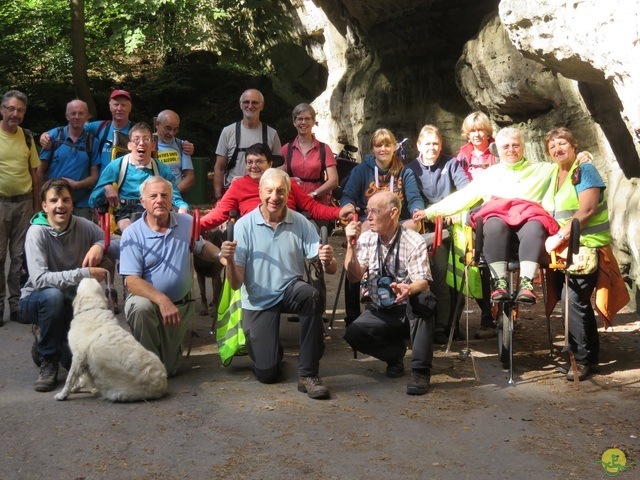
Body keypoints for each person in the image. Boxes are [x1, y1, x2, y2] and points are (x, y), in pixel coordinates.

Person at [220, 168, 337, 399]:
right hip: (258, 300)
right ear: (260, 192)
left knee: (312, 296)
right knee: (267, 373)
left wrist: (329, 259)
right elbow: (235, 285)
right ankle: (272, 352)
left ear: (288, 193)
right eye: (270, 191)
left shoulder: (300, 222)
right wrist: (230, 261)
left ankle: (309, 374)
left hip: (290, 289)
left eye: (281, 191)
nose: (275, 197)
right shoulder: (244, 226)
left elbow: (328, 268)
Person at [414, 127, 558, 304]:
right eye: (505, 147)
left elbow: (568, 166)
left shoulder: (544, 170)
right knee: (493, 223)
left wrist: (582, 159)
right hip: (498, 226)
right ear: (497, 149)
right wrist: (430, 212)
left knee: (536, 224)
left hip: (527, 224)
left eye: (515, 145)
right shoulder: (489, 174)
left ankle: (526, 283)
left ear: (523, 147)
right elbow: (463, 197)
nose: (511, 150)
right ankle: (499, 283)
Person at [19, 178, 116, 392]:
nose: (60, 205)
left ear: (72, 204)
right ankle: (48, 361)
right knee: (53, 297)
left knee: (86, 366)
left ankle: (46, 340)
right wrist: (85, 273)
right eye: (54, 201)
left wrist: (100, 245)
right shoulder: (36, 233)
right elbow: (40, 280)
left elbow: (114, 242)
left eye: (65, 200)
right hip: (36, 299)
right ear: (44, 206)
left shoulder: (82, 225)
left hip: (71, 301)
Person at [120, 176, 221, 376]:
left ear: (171, 198)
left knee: (169, 369)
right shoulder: (132, 233)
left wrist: (221, 256)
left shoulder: (186, 222)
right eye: (153, 196)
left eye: (164, 195)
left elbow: (201, 247)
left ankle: (155, 362)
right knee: (141, 308)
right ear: (143, 202)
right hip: (149, 304)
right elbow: (131, 281)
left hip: (179, 308)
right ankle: (145, 368)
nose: (160, 200)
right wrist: (162, 300)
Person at [343, 191, 436, 395]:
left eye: (375, 212)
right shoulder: (367, 239)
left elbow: (423, 282)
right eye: (367, 211)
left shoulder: (413, 241)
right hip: (381, 309)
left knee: (423, 299)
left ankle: (420, 371)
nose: (369, 217)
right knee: (353, 333)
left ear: (393, 213)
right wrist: (351, 246)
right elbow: (354, 277)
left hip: (408, 308)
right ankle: (394, 356)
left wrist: (409, 288)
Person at [542, 128, 616, 381]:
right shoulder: (555, 173)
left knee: (574, 301)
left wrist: (559, 236)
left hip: (586, 247)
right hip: (567, 250)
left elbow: (588, 209)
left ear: (574, 146)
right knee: (575, 303)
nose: (557, 149)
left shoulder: (584, 170)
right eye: (552, 146)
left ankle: (581, 360)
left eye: (562, 143)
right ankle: (588, 358)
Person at [340, 128, 424, 324]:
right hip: (370, 223)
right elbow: (348, 195)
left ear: (394, 147)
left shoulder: (405, 171)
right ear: (372, 149)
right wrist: (348, 205)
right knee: (357, 245)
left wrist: (417, 210)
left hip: (398, 224)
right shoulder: (361, 170)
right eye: (379, 145)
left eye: (387, 145)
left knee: (417, 224)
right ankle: (356, 305)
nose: (383, 149)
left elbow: (414, 198)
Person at [406, 124, 480, 344]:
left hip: (451, 225)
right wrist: (424, 214)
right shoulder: (411, 169)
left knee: (455, 276)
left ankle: (451, 325)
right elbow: (413, 198)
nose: (432, 148)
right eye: (427, 144)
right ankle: (437, 325)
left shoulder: (451, 163)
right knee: (438, 275)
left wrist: (457, 211)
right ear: (419, 145)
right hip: (426, 228)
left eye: (435, 143)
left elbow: (467, 191)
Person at [200, 143, 354, 231]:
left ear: (270, 164)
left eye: (259, 162)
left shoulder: (287, 182)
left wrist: (339, 212)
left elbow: (312, 207)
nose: (253, 166)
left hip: (288, 231)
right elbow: (219, 213)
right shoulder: (239, 185)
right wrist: (195, 226)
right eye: (249, 162)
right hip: (253, 233)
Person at [40, 90, 194, 173]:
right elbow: (74, 127)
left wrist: (183, 144)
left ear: (130, 107)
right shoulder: (98, 127)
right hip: (103, 187)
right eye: (115, 104)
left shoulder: (139, 131)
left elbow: (162, 137)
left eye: (123, 105)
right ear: (109, 106)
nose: (119, 108)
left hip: (130, 187)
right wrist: (46, 135)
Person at [89, 122, 189, 233]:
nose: (141, 143)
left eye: (146, 139)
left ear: (153, 146)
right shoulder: (116, 166)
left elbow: (175, 197)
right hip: (125, 212)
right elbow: (92, 201)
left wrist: (183, 208)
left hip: (154, 210)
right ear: (129, 145)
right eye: (136, 140)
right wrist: (106, 188)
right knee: (130, 230)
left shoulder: (162, 169)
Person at [0, 90, 40, 325]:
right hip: (0, 204)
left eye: (20, 110)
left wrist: (37, 206)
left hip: (24, 204)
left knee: (18, 257)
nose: (15, 114)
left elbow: (35, 173)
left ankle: (16, 305)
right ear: (2, 109)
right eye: (11, 109)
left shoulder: (26, 137)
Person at [37, 99, 100, 220]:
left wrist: (76, 185)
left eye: (81, 113)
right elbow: (40, 171)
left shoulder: (92, 142)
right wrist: (42, 199)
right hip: (55, 202)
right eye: (73, 113)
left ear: (87, 116)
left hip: (81, 203)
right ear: (67, 116)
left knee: (82, 238)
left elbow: (94, 177)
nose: (77, 117)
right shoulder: (53, 136)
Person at [213, 89, 281, 201]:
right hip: (233, 193)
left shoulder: (271, 134)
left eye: (254, 102)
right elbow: (219, 167)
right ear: (240, 105)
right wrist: (218, 197)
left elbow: (278, 168)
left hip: (263, 195)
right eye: (246, 102)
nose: (250, 106)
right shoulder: (228, 131)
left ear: (262, 106)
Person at [280, 103, 338, 206]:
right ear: (294, 122)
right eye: (300, 119)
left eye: (307, 119)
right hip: (293, 201)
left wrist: (314, 194)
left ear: (313, 122)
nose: (303, 122)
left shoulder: (324, 149)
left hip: (317, 202)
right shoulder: (286, 149)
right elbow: (278, 176)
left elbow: (333, 180)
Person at [155, 110, 195, 195]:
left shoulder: (181, 145)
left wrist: (172, 194)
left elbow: (190, 177)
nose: (171, 133)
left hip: (175, 199)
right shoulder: (145, 144)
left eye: (175, 130)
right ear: (157, 124)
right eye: (168, 128)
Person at [456, 111, 498, 180]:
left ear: (487, 131)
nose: (477, 134)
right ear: (468, 134)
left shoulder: (498, 151)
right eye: (472, 131)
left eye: (480, 130)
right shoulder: (462, 155)